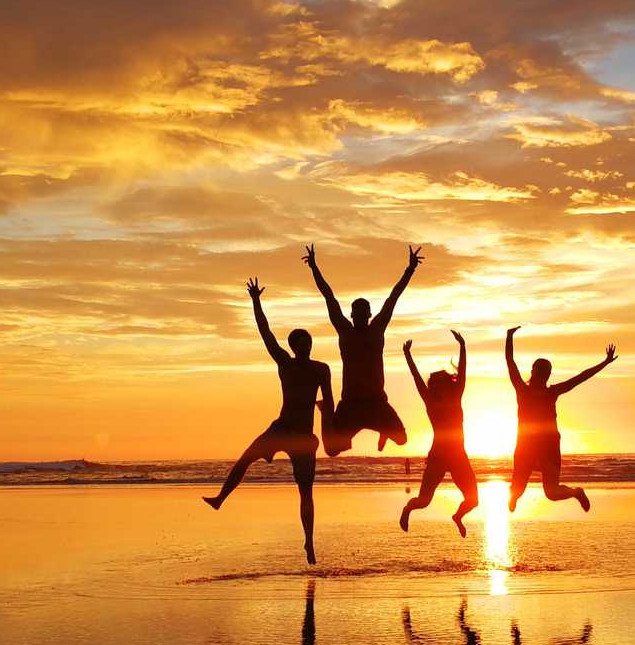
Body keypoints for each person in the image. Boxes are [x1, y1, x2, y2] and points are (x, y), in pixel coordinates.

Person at [202, 277, 333, 565]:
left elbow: (331, 404)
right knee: (245, 459)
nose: (306, 347)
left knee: (306, 492)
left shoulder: (321, 369)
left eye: (308, 343)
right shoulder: (285, 363)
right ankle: (221, 498)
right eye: (301, 344)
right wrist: (256, 302)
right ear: (294, 346)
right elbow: (266, 334)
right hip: (282, 428)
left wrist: (329, 423)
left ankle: (309, 543)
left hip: (302, 437)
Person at [303, 242, 422, 455]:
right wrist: (313, 268)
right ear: (352, 316)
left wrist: (410, 269)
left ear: (368, 315)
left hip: (377, 402)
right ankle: (326, 411)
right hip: (351, 404)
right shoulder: (346, 332)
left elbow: (393, 297)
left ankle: (383, 430)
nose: (358, 315)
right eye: (355, 312)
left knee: (402, 440)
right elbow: (328, 297)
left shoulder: (377, 329)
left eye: (362, 312)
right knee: (331, 450)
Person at [505, 326, 615, 512]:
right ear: (533, 371)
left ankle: (576, 492)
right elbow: (510, 362)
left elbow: (581, 377)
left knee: (551, 493)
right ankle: (515, 495)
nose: (541, 375)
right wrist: (509, 337)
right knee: (517, 490)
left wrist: (605, 363)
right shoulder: (523, 390)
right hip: (526, 444)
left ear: (545, 374)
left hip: (548, 445)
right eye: (540, 371)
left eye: (544, 372)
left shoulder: (551, 392)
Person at [399, 331, 478, 536]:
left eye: (443, 382)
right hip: (438, 456)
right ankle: (408, 508)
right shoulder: (430, 401)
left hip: (458, 455)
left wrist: (462, 345)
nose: (440, 386)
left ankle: (458, 516)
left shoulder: (456, 395)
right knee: (423, 501)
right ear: (433, 387)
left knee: (473, 499)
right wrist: (407, 355)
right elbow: (416, 378)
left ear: (448, 384)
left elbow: (462, 374)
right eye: (436, 384)